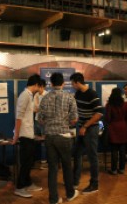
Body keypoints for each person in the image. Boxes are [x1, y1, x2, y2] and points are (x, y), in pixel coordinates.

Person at [38, 72, 79, 204]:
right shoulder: (69, 97)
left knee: (52, 169)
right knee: (67, 166)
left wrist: (50, 123)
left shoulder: (44, 98)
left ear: (50, 83)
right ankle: (70, 194)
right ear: (63, 83)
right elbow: (74, 119)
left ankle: (54, 199)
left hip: (49, 137)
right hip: (64, 136)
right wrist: (65, 122)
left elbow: (40, 119)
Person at [70, 72, 102, 194]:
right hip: (82, 128)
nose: (72, 86)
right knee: (77, 153)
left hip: (91, 129)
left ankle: (94, 184)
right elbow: (78, 110)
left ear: (77, 83)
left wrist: (85, 126)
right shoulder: (78, 93)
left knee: (92, 156)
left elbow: (98, 114)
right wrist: (75, 120)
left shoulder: (92, 94)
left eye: (73, 83)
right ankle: (75, 181)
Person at [12, 74, 43, 198]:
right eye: (39, 86)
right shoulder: (24, 96)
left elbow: (31, 111)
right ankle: (19, 187)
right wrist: (16, 136)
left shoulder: (30, 96)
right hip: (24, 135)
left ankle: (28, 183)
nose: (39, 89)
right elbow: (19, 117)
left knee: (29, 161)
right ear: (35, 85)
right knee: (26, 162)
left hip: (29, 134)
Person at [104, 87, 127, 175]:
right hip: (123, 127)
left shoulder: (109, 105)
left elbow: (107, 118)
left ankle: (114, 169)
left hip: (113, 128)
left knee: (114, 150)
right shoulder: (125, 104)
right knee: (123, 150)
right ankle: (122, 169)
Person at [34, 79, 48, 168]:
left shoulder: (47, 95)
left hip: (44, 121)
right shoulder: (36, 95)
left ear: (42, 86)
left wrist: (38, 107)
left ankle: (44, 160)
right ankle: (36, 160)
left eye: (38, 87)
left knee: (44, 141)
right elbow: (34, 108)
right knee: (35, 139)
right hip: (36, 119)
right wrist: (38, 107)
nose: (37, 88)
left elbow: (44, 109)